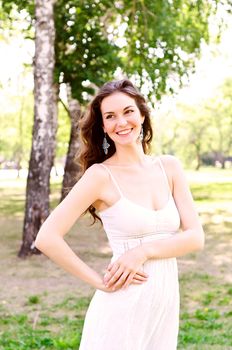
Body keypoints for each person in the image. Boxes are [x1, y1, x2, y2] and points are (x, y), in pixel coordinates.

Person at [35, 79, 205, 350]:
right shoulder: (100, 176)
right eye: (110, 116)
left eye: (128, 112)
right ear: (103, 127)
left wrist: (141, 252)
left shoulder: (169, 167)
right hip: (122, 306)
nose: (121, 122)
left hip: (164, 304)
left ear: (142, 115)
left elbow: (195, 237)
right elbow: (47, 238)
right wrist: (100, 283)